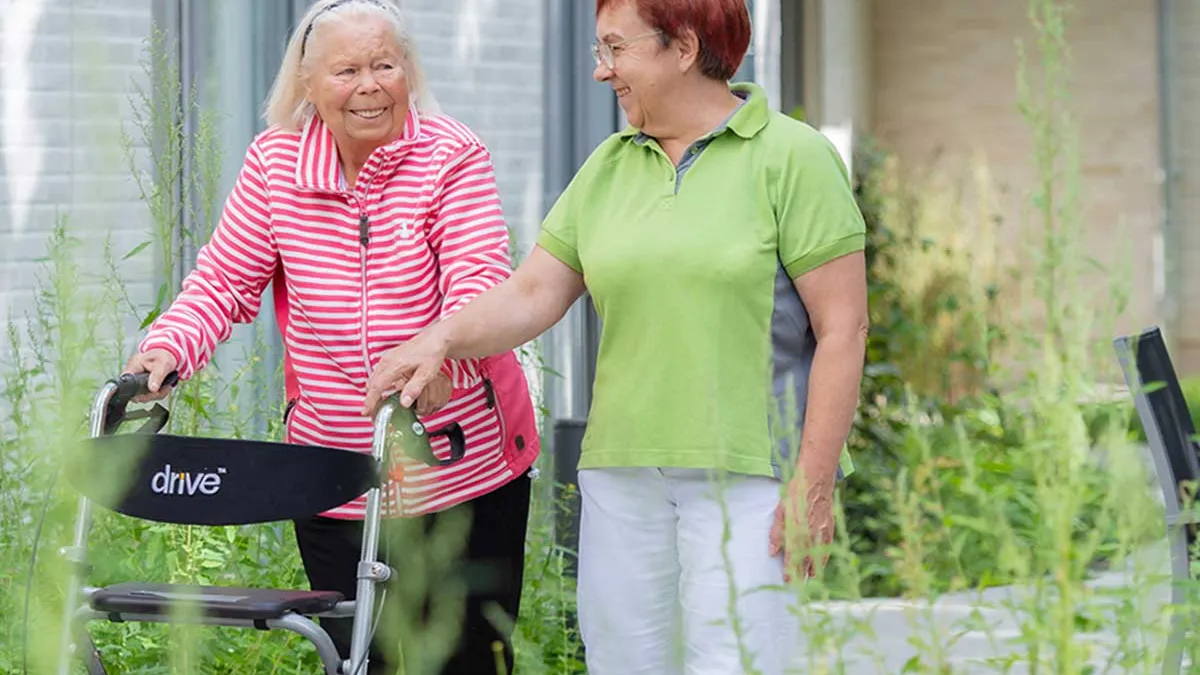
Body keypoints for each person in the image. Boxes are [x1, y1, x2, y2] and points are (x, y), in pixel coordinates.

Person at [361, 0, 870, 673]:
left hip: (750, 473)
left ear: (682, 47)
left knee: (737, 661)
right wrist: (441, 339)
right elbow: (534, 292)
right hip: (621, 470)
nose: (602, 71)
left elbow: (843, 327)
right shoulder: (608, 165)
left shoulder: (791, 157)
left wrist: (814, 482)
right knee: (622, 661)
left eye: (615, 49)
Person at [122, 1, 540, 673]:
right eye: (347, 69)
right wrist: (168, 347)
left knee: (466, 660)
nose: (370, 84)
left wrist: (443, 354)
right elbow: (225, 280)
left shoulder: (451, 157)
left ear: (409, 72)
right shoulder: (275, 164)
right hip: (335, 468)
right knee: (353, 658)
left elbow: (479, 282)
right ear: (308, 84)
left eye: (385, 64)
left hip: (462, 469)